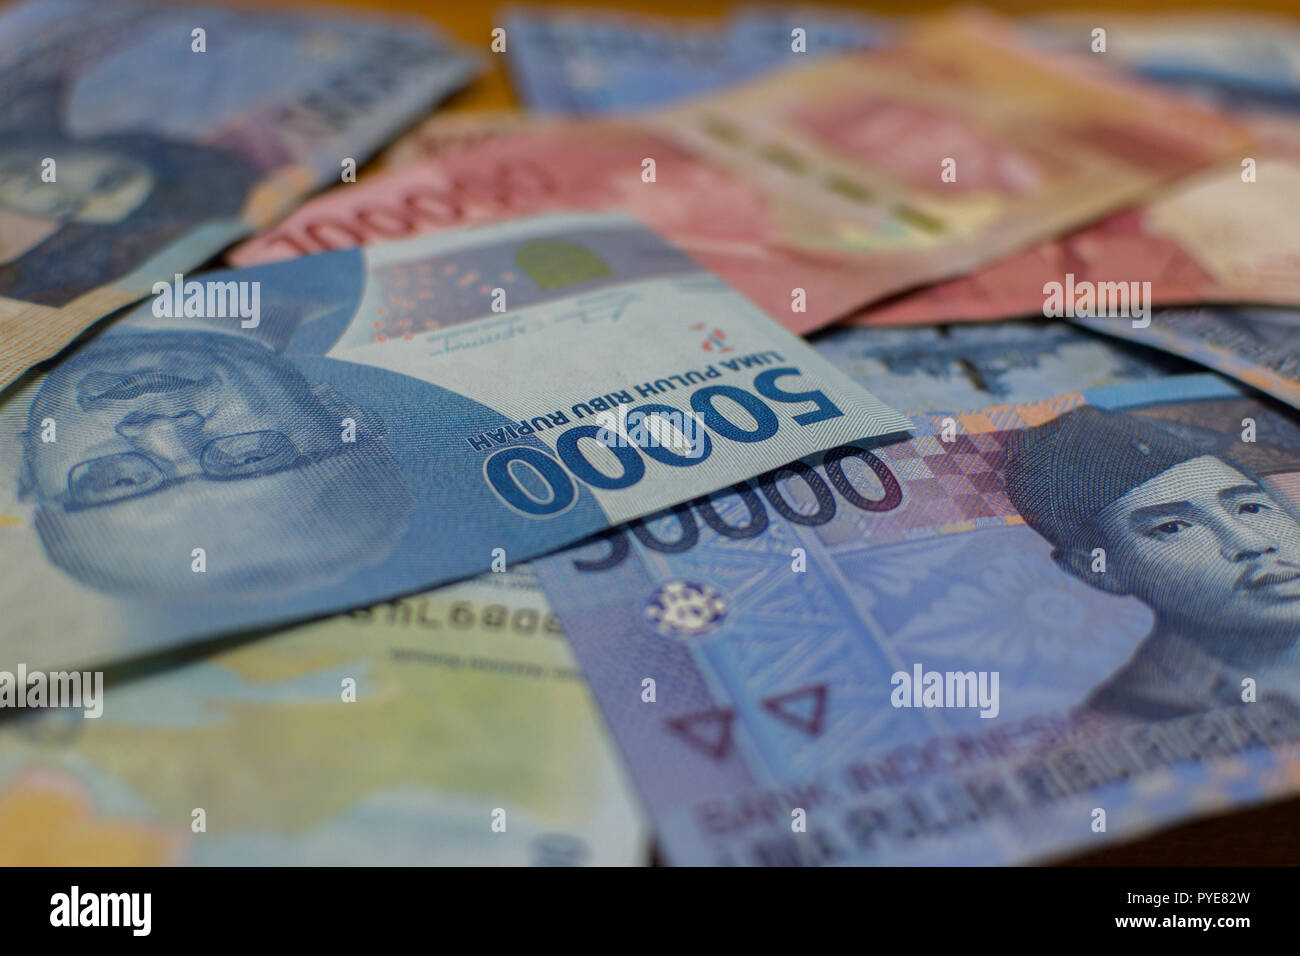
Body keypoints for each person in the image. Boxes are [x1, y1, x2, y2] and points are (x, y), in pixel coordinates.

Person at [1003, 405, 1300, 721]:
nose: (1252, 544)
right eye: (1172, 527)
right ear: (1095, 569)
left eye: (1250, 507)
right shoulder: (1128, 715)